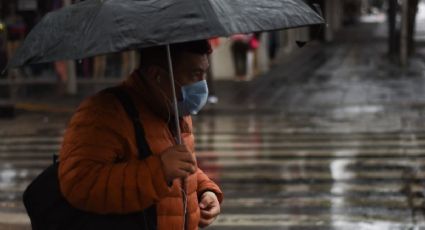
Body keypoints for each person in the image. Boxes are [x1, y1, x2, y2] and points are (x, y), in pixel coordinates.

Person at [58, 40, 223, 230]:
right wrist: (160, 171)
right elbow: (79, 184)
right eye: (195, 74)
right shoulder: (104, 112)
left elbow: (180, 164)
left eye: (204, 73)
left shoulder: (175, 109)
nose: (202, 85)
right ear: (157, 76)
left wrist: (204, 190)